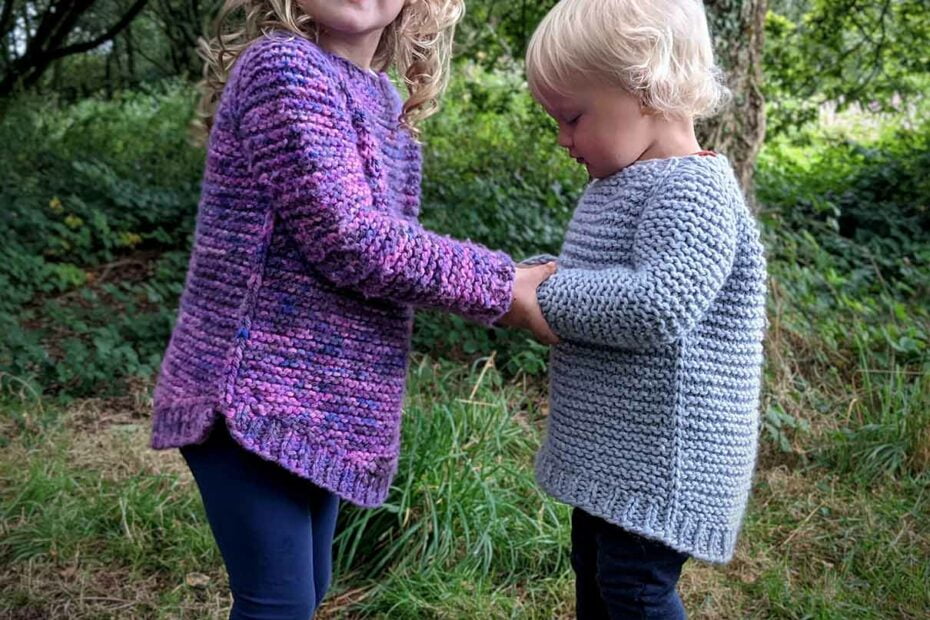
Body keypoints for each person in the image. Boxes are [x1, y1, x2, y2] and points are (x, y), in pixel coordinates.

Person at [150, 1, 556, 617]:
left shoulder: (386, 102)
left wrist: (519, 279)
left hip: (321, 400)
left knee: (304, 594)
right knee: (278, 604)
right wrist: (507, 288)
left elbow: (387, 258)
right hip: (248, 391)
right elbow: (351, 239)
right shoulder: (281, 67)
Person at [521, 0, 768, 617]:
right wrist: (531, 275)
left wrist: (543, 293)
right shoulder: (621, 182)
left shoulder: (695, 187)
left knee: (634, 590)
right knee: (598, 575)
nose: (563, 139)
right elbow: (598, 282)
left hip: (662, 457)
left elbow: (658, 304)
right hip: (612, 449)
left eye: (572, 117)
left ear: (648, 87)